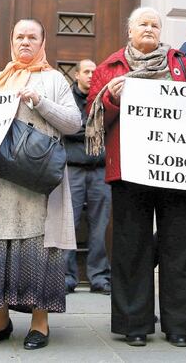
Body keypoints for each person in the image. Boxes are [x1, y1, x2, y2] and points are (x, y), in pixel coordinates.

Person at [86, 7, 186, 347]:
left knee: (178, 244)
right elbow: (92, 114)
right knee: (131, 247)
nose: (149, 28)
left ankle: (179, 325)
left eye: (155, 24)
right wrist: (111, 97)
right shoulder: (111, 67)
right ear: (130, 30)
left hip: (176, 168)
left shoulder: (180, 64)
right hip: (128, 169)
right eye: (142, 24)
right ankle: (133, 325)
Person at [0, 18, 81, 351]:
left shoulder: (54, 79)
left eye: (33, 37)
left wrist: (41, 102)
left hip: (38, 181)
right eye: (20, 37)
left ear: (43, 42)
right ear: (11, 41)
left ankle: (39, 324)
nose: (25, 43)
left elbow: (74, 124)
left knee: (40, 248)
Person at [63, 59, 111, 295]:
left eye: (95, 71)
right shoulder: (66, 98)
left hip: (100, 170)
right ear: (76, 75)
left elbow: (109, 127)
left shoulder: (103, 98)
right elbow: (68, 126)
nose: (92, 75)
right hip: (72, 169)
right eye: (87, 71)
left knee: (100, 226)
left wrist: (84, 128)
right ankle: (66, 278)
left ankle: (99, 278)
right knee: (68, 225)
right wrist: (90, 129)